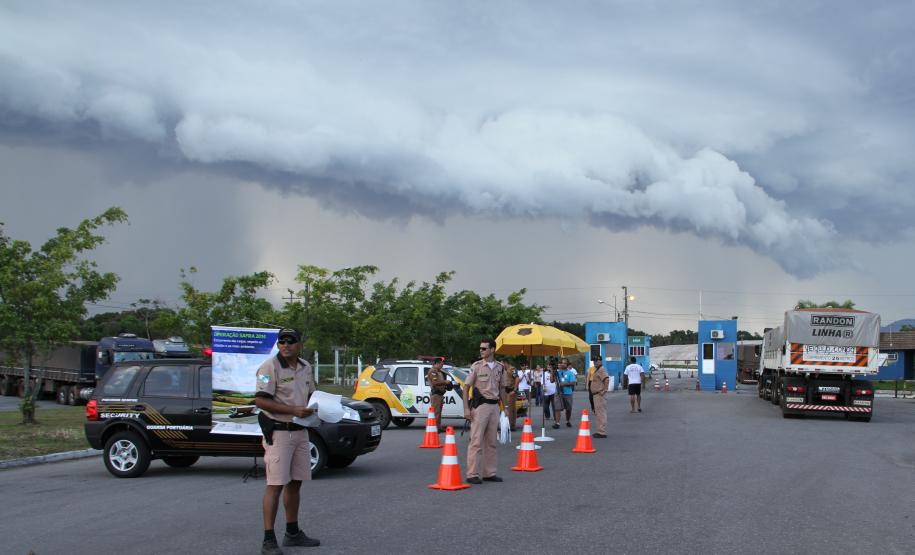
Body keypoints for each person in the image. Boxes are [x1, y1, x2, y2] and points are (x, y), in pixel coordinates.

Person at [254, 328, 320, 554]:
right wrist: (292, 409)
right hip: (280, 432)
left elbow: (312, 395)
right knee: (275, 485)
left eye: (291, 341)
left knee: (296, 482)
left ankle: (292, 532)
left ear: (300, 344)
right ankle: (268, 539)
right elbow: (261, 401)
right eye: (281, 341)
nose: (286, 345)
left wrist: (322, 407)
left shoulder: (305, 367)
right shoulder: (269, 367)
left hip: (301, 431)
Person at [463, 338, 510, 484]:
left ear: (492, 350)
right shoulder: (476, 366)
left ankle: (489, 473)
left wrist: (506, 407)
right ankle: (472, 474)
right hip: (480, 407)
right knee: (476, 441)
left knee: (491, 442)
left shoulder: (500, 367)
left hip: (494, 406)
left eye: (484, 348)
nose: (481, 350)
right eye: (481, 348)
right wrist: (466, 408)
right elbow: (466, 388)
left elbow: (502, 388)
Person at [588, 357, 610, 438]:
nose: (594, 362)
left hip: (599, 394)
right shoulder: (597, 369)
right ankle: (599, 430)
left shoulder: (601, 369)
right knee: (598, 413)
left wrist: (604, 390)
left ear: (600, 361)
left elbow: (606, 379)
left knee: (601, 413)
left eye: (596, 361)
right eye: (594, 361)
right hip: (596, 394)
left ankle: (601, 432)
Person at [426, 357, 449, 432]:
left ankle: (438, 427)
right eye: (441, 364)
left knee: (439, 412)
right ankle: (435, 428)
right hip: (436, 394)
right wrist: (445, 382)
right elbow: (435, 383)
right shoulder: (433, 371)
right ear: (437, 363)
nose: (442, 366)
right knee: (436, 412)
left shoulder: (439, 371)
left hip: (440, 394)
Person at [558, 359, 576, 427]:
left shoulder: (570, 373)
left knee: (568, 408)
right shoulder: (557, 372)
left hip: (568, 393)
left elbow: (573, 382)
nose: (563, 364)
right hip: (559, 393)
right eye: (562, 363)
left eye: (565, 363)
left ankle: (568, 421)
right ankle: (557, 423)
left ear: (567, 365)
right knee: (557, 408)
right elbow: (552, 380)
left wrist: (564, 384)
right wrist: (552, 372)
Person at [504, 363, 519, 432]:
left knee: (511, 409)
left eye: (501, 362)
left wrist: (514, 390)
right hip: (506, 391)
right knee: (509, 408)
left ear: (505, 362)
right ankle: (510, 425)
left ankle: (511, 425)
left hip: (511, 391)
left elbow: (517, 379)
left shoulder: (512, 369)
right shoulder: (504, 369)